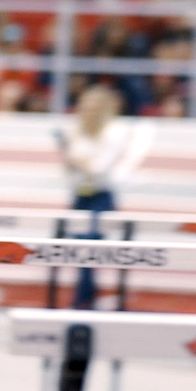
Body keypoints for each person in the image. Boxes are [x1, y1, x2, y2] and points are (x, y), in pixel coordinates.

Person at [56, 85, 144, 309]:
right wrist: (76, 161)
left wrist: (76, 159)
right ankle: (85, 296)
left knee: (92, 249)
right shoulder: (76, 131)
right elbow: (71, 173)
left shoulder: (116, 132)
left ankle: (83, 300)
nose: (89, 112)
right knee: (77, 250)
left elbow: (99, 168)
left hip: (101, 198)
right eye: (86, 107)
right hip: (80, 197)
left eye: (95, 107)